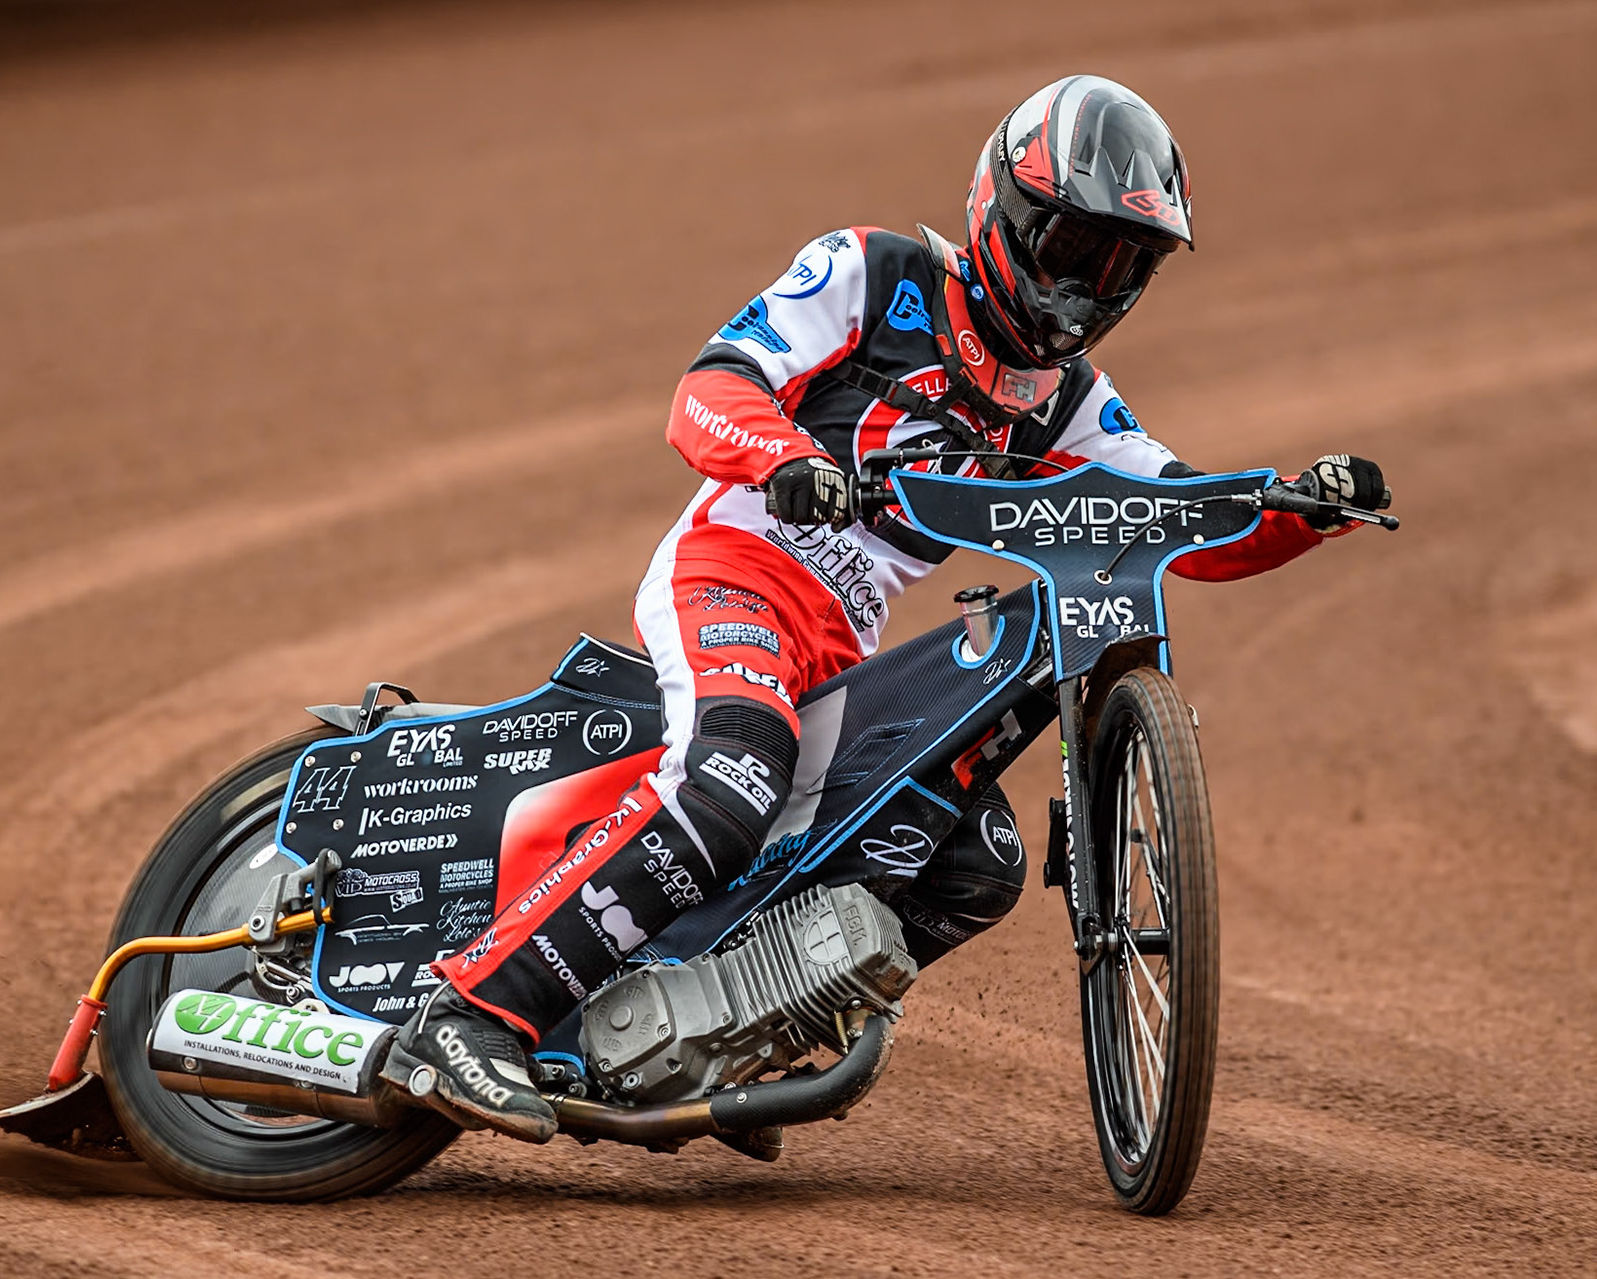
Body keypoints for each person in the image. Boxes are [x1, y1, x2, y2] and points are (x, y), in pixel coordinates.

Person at [386, 76, 1390, 1143]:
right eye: (1071, 248)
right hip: (733, 574)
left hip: (839, 649)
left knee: (975, 862)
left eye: (1120, 264)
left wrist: (1302, 507)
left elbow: (1170, 522)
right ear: (1002, 212)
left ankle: (726, 1025)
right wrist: (785, 458)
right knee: (733, 775)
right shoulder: (874, 275)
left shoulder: (1068, 401)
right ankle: (469, 1013)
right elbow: (710, 386)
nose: (1087, 287)